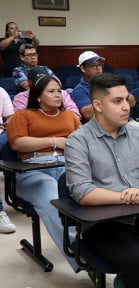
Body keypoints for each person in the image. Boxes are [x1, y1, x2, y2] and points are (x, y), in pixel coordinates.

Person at [65, 73, 139, 288]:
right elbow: (82, 192)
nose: (126, 107)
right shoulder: (78, 141)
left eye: (126, 100)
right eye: (117, 101)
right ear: (98, 105)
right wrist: (128, 195)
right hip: (105, 225)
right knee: (136, 263)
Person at [6, 75, 81, 270]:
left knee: (88, 195)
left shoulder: (70, 116)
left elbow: (81, 144)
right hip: (32, 169)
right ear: (38, 96)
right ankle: (81, 256)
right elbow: (18, 142)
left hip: (67, 165)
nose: (58, 95)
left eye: (59, 90)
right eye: (51, 91)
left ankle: (97, 245)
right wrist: (56, 141)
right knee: (54, 201)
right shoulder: (23, 115)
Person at [71, 51, 139, 140]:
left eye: (100, 65)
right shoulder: (79, 90)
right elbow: (88, 114)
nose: (98, 69)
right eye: (93, 65)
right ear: (83, 68)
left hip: (127, 123)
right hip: (104, 128)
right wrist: (107, 96)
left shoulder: (109, 82)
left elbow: (132, 102)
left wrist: (121, 94)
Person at [13, 67, 81, 118]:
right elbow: (21, 119)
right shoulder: (20, 98)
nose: (42, 84)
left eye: (45, 80)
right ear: (29, 83)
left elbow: (75, 114)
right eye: (38, 82)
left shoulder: (62, 93)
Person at [0, 86, 15, 233]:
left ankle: (16, 193)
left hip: (0, 135)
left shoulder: (1, 91)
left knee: (12, 141)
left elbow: (10, 118)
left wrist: (6, 125)